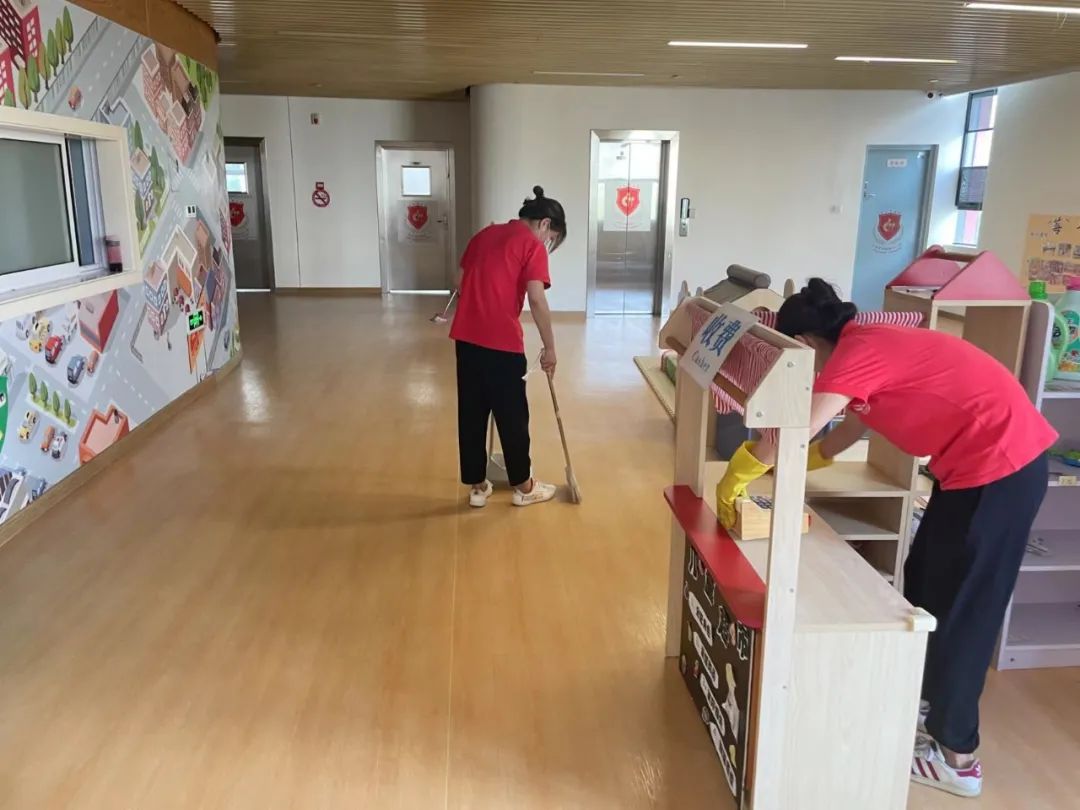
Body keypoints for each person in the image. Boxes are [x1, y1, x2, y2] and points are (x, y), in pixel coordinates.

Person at [715, 279, 1057, 799]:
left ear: (804, 344)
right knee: (924, 582)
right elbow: (846, 433)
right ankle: (926, 705)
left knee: (964, 612)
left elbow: (794, 430)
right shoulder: (861, 349)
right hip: (969, 471)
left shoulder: (858, 354)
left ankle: (958, 758)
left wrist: (739, 472)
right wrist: (800, 467)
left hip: (1002, 468)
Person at [449, 186, 566, 508]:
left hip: (466, 339)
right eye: (551, 238)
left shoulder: (485, 234)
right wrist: (550, 348)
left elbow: (458, 281)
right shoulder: (532, 245)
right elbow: (537, 299)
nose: (547, 243)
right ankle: (524, 487)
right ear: (544, 224)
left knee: (472, 412)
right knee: (512, 414)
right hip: (502, 342)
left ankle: (477, 485)